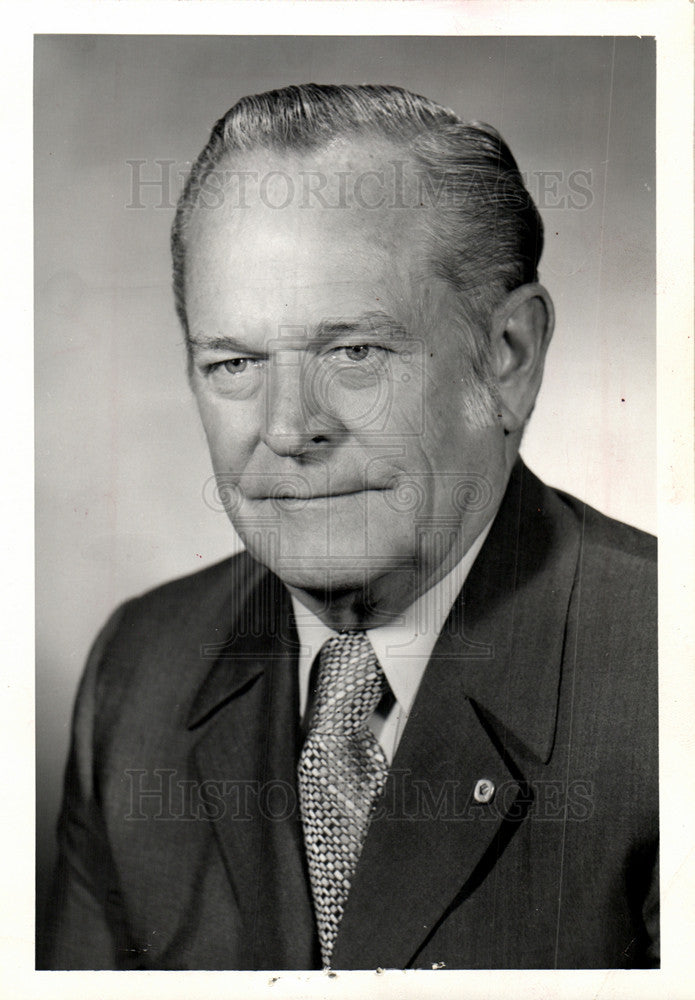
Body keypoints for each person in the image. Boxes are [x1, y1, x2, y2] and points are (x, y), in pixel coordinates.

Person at [42, 83, 658, 971]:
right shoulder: (141, 668)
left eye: (354, 353)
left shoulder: (662, 674)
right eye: (234, 362)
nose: (290, 429)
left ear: (508, 358)